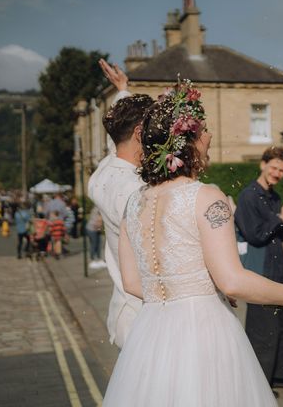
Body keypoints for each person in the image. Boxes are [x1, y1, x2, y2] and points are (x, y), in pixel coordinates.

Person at [101, 81, 283, 407]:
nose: (209, 136)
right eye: (203, 130)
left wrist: (194, 286)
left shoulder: (133, 204)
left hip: (150, 335)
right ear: (189, 143)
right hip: (203, 333)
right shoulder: (207, 196)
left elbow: (133, 282)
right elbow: (233, 281)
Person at [88, 58, 155, 348]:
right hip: (145, 314)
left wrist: (123, 91)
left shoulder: (103, 171)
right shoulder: (136, 191)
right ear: (141, 133)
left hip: (123, 308)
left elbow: (117, 143)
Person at [234, 145, 283, 394]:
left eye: (281, 170)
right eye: (273, 167)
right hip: (259, 272)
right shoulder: (248, 196)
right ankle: (259, 384)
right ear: (262, 165)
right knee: (262, 331)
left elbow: (279, 235)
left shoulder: (273, 197)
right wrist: (282, 217)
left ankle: (281, 375)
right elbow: (255, 235)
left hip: (279, 270)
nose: (277, 173)